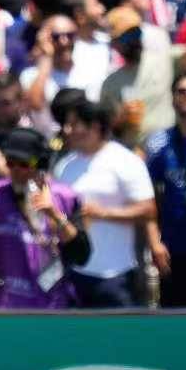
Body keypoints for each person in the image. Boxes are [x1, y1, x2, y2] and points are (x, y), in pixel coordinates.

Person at [51, 96, 156, 308]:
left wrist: (103, 213)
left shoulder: (126, 161)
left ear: (95, 126)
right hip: (74, 273)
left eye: (74, 124)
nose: (67, 130)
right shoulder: (64, 166)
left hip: (116, 274)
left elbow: (148, 210)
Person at [144, 74, 186, 307]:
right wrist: (154, 242)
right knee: (173, 318)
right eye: (182, 91)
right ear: (173, 100)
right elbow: (147, 197)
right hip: (174, 247)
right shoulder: (158, 144)